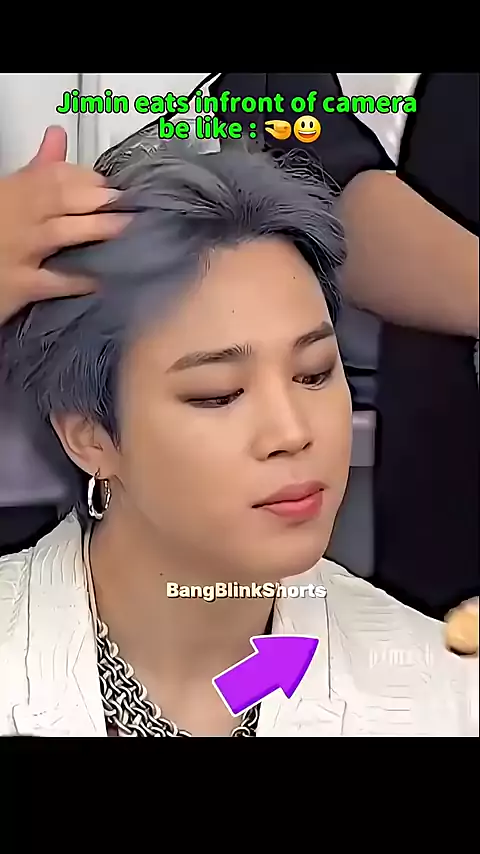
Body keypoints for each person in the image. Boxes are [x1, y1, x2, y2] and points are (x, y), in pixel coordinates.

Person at [0, 145, 476, 737]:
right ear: (89, 434)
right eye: (219, 394)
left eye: (314, 374)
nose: (292, 433)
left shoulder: (445, 697)